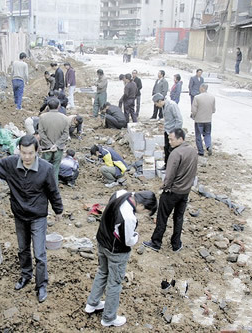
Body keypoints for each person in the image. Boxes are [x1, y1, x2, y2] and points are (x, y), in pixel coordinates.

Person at [0, 135, 63, 303]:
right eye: (23, 153)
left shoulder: (46, 168)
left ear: (37, 151)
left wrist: (58, 211)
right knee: (22, 249)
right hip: (19, 214)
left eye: (30, 153)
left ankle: (41, 285)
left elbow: (53, 192)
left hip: (38, 216)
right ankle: (25, 275)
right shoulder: (10, 164)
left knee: (40, 253)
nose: (27, 157)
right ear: (19, 150)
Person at [85, 189, 157, 327]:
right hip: (115, 251)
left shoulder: (120, 193)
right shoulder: (129, 217)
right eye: (145, 211)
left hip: (102, 240)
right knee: (115, 283)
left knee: (102, 272)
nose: (143, 214)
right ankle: (108, 318)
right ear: (141, 206)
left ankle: (92, 303)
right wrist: (136, 236)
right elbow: (128, 240)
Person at [143, 129, 197, 252]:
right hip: (185, 191)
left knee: (162, 217)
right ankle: (176, 244)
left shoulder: (176, 153)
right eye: (169, 139)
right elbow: (193, 171)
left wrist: (164, 187)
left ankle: (156, 242)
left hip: (172, 191)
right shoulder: (193, 151)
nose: (169, 142)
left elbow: (170, 175)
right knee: (179, 218)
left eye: (172, 139)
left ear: (181, 139)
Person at [39, 98, 70, 181]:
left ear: (48, 106)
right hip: (58, 149)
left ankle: (43, 188)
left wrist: (50, 145)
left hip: (46, 148)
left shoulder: (42, 117)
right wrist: (56, 145)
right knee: (55, 170)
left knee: (44, 169)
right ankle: (54, 188)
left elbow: (41, 134)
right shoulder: (65, 118)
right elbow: (65, 134)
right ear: (59, 106)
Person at [152, 93, 183, 167]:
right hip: (167, 130)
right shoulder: (164, 106)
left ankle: (174, 166)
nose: (156, 105)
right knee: (166, 148)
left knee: (172, 149)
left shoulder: (172, 105)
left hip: (173, 131)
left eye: (156, 103)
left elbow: (179, 119)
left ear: (160, 101)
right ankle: (167, 165)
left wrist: (176, 133)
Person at [191, 84, 216, 156]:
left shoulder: (197, 97)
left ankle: (201, 151)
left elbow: (194, 110)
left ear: (202, 88)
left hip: (199, 120)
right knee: (207, 134)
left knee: (198, 136)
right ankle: (208, 146)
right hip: (208, 120)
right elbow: (213, 110)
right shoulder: (212, 97)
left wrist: (193, 116)